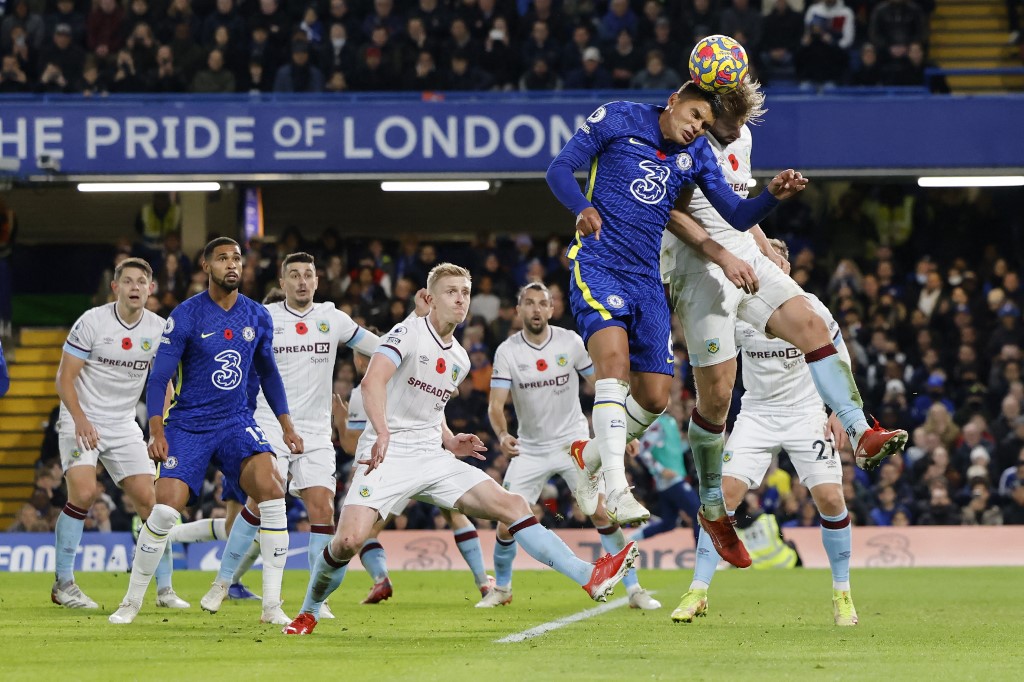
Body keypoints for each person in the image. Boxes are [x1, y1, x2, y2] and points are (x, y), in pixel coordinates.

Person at [283, 264, 638, 635]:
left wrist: (449, 438)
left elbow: (432, 408)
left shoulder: (460, 359)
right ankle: (308, 610)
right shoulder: (406, 333)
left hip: (431, 456)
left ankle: (589, 575)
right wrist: (384, 431)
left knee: (513, 506)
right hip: (386, 453)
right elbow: (373, 382)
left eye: (465, 292)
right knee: (348, 541)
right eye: (450, 291)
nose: (459, 299)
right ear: (430, 298)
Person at [545, 76, 807, 557]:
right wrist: (581, 206)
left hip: (647, 278)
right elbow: (559, 170)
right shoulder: (619, 116)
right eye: (693, 116)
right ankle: (616, 489)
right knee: (613, 370)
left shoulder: (697, 155)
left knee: (655, 398)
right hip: (599, 261)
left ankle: (588, 456)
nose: (696, 128)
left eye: (705, 124)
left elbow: (736, 214)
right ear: (674, 101)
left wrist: (770, 193)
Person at [658, 79, 907, 568]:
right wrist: (722, 255)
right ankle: (712, 507)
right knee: (715, 399)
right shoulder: (681, 140)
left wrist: (762, 238)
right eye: (723, 130)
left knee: (813, 323)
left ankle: (861, 430)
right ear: (705, 115)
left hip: (746, 256)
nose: (732, 138)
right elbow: (673, 213)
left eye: (738, 128)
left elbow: (736, 201)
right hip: (698, 266)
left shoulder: (741, 136)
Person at [108, 238, 304, 625]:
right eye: (222, 258)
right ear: (205, 265)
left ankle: (272, 606)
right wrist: (156, 429)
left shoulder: (257, 316)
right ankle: (131, 601)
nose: (232, 265)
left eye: (236, 259)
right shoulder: (186, 316)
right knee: (164, 511)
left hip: (236, 421)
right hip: (189, 424)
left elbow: (268, 373)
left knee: (272, 489)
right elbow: (159, 375)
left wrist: (286, 425)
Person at [671, 238, 860, 627]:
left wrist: (841, 411)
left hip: (807, 413)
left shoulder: (811, 309)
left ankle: (842, 594)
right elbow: (715, 358)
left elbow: (839, 354)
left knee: (829, 497)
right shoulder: (739, 311)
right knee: (720, 498)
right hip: (758, 414)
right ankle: (698, 590)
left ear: (783, 267)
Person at [179, 252, 379, 620]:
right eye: (294, 276)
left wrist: (420, 334)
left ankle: (317, 600)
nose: (302, 281)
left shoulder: (333, 319)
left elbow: (382, 349)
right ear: (282, 283)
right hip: (269, 424)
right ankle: (222, 582)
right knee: (260, 504)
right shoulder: (263, 317)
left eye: (308, 275)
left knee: (322, 511)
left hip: (317, 432)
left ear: (318, 281)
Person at [480, 281, 659, 610]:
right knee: (506, 523)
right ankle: (502, 588)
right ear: (519, 310)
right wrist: (503, 434)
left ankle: (634, 590)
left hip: (573, 444)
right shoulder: (507, 351)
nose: (536, 309)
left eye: (542, 303)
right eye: (529, 303)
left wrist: (622, 431)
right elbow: (495, 406)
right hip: (530, 449)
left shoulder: (571, 342)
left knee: (603, 513)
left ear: (552, 309)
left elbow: (601, 385)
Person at [53, 257, 187, 610]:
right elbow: (64, 379)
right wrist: (80, 419)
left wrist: (156, 427)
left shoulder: (159, 328)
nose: (135, 287)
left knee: (153, 504)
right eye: (128, 281)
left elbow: (163, 384)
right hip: (81, 416)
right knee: (83, 492)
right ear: (115, 287)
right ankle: (63, 583)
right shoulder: (92, 322)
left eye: (141, 282)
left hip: (124, 422)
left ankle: (165, 590)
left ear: (151, 289)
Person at [343, 348, 499, 606]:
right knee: (455, 515)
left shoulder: (361, 393)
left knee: (366, 532)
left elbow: (351, 445)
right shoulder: (401, 376)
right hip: (425, 459)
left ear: (359, 359)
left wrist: (340, 423)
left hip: (390, 467)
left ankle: (380, 579)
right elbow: (451, 390)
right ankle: (483, 581)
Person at [629, 406, 701, 543]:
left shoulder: (671, 425)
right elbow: (643, 449)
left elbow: (673, 450)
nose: (682, 412)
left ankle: (631, 539)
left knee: (669, 523)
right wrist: (660, 469)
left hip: (669, 483)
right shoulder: (660, 424)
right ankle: (703, 559)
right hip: (672, 482)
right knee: (699, 515)